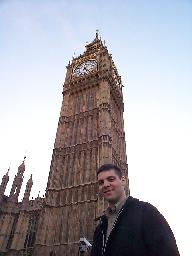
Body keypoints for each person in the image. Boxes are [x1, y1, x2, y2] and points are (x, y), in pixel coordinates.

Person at [90, 164, 180, 256]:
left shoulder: (146, 212)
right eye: (101, 182)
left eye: (111, 179)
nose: (106, 184)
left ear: (123, 181)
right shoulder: (100, 227)